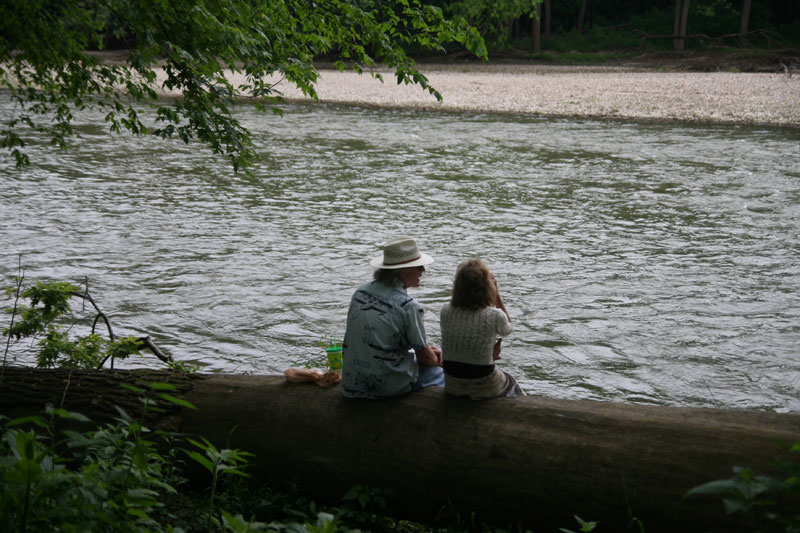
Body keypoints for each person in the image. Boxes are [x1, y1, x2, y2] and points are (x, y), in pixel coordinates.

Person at [341, 237, 444, 399]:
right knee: (443, 374)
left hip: (352, 383)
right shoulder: (409, 306)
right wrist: (437, 359)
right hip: (386, 389)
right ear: (404, 271)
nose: (423, 270)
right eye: (418, 267)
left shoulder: (360, 292)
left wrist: (426, 351)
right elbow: (425, 358)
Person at [439, 258, 525, 399]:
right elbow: (507, 330)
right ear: (487, 286)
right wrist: (497, 294)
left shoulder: (445, 311)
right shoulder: (495, 315)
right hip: (483, 385)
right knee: (511, 382)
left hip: (451, 383)